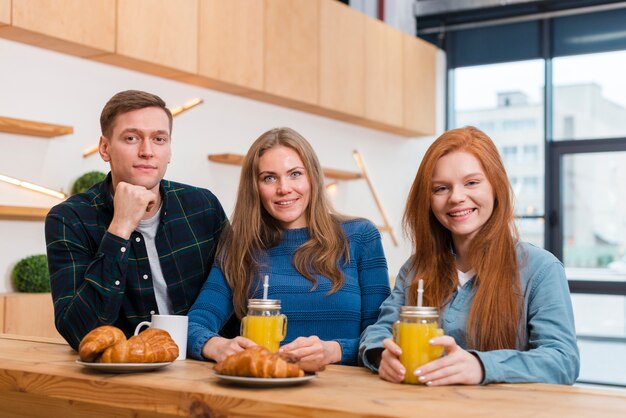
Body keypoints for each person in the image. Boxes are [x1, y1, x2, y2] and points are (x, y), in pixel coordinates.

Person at [359, 126, 579, 385]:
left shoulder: (540, 269)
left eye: (471, 182)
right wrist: (382, 354)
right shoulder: (416, 268)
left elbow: (563, 360)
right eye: (441, 188)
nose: (456, 198)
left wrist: (481, 366)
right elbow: (380, 330)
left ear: (496, 186)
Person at [187, 127, 390, 371]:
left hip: (342, 395)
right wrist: (216, 345)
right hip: (265, 387)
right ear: (255, 187)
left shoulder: (360, 236)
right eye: (269, 178)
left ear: (312, 178)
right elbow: (193, 325)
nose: (284, 188)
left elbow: (381, 337)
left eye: (295, 174)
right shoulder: (240, 246)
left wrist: (333, 351)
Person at [45, 90, 228, 350]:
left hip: (205, 364)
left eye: (159, 139)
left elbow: (236, 289)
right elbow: (80, 333)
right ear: (104, 148)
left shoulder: (203, 206)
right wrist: (120, 227)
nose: (147, 151)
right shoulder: (69, 219)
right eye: (131, 138)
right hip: (123, 375)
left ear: (169, 150)